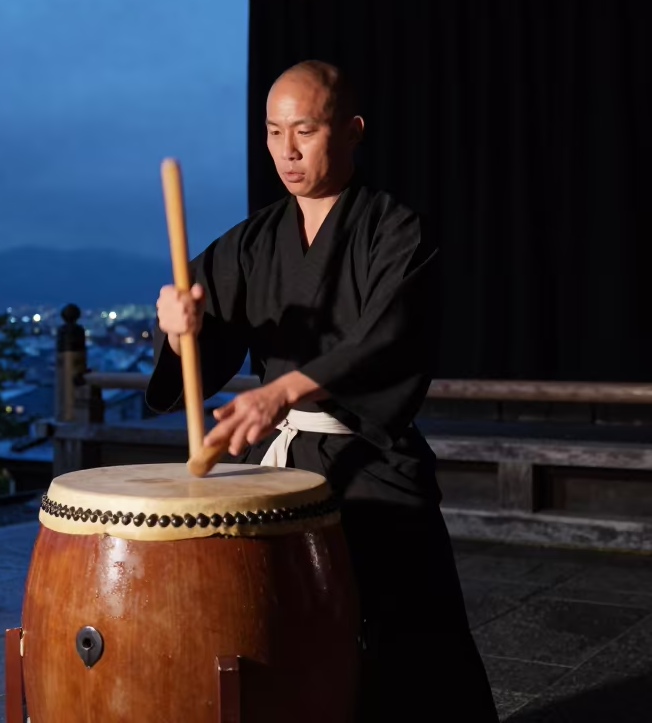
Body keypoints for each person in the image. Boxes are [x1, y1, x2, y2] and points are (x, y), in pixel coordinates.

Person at [146, 60, 498, 721]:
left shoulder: (398, 231)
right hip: (275, 459)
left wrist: (279, 393)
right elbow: (199, 313)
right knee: (268, 626)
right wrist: (177, 323)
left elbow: (388, 337)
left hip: (367, 456)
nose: (287, 150)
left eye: (304, 129)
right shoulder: (254, 240)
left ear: (352, 129)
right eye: (274, 131)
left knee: (412, 629)